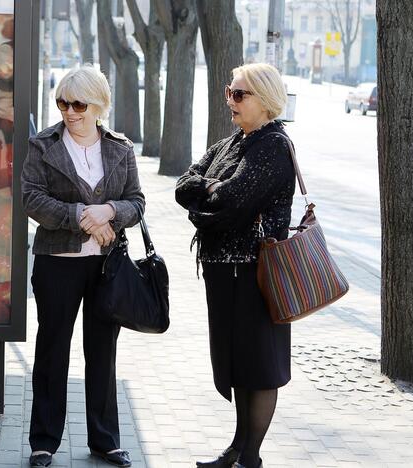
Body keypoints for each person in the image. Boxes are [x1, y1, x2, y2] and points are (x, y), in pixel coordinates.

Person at [21, 65, 145, 468]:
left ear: (98, 105)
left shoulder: (120, 147)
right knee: (52, 350)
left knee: (102, 351)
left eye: (78, 104)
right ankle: (43, 442)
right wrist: (81, 216)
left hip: (106, 267)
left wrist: (109, 210)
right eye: (62, 103)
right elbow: (31, 198)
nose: (70, 112)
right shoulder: (42, 144)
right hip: (57, 263)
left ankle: (105, 440)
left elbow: (137, 201)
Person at [175, 63, 295, 468]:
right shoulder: (233, 142)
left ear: (265, 101)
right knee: (238, 362)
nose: (231, 101)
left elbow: (231, 203)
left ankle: (250, 456)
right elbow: (182, 185)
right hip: (225, 272)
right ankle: (238, 448)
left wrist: (208, 195)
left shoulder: (273, 145)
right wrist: (210, 190)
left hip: (258, 273)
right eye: (230, 91)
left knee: (259, 365)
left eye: (239, 95)